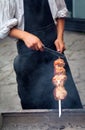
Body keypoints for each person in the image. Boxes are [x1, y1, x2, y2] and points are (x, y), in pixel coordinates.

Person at [0, 0, 83, 109]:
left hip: (54, 51)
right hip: (28, 55)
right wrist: (25, 36)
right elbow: (3, 25)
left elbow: (61, 13)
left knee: (68, 101)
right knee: (33, 106)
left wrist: (60, 38)